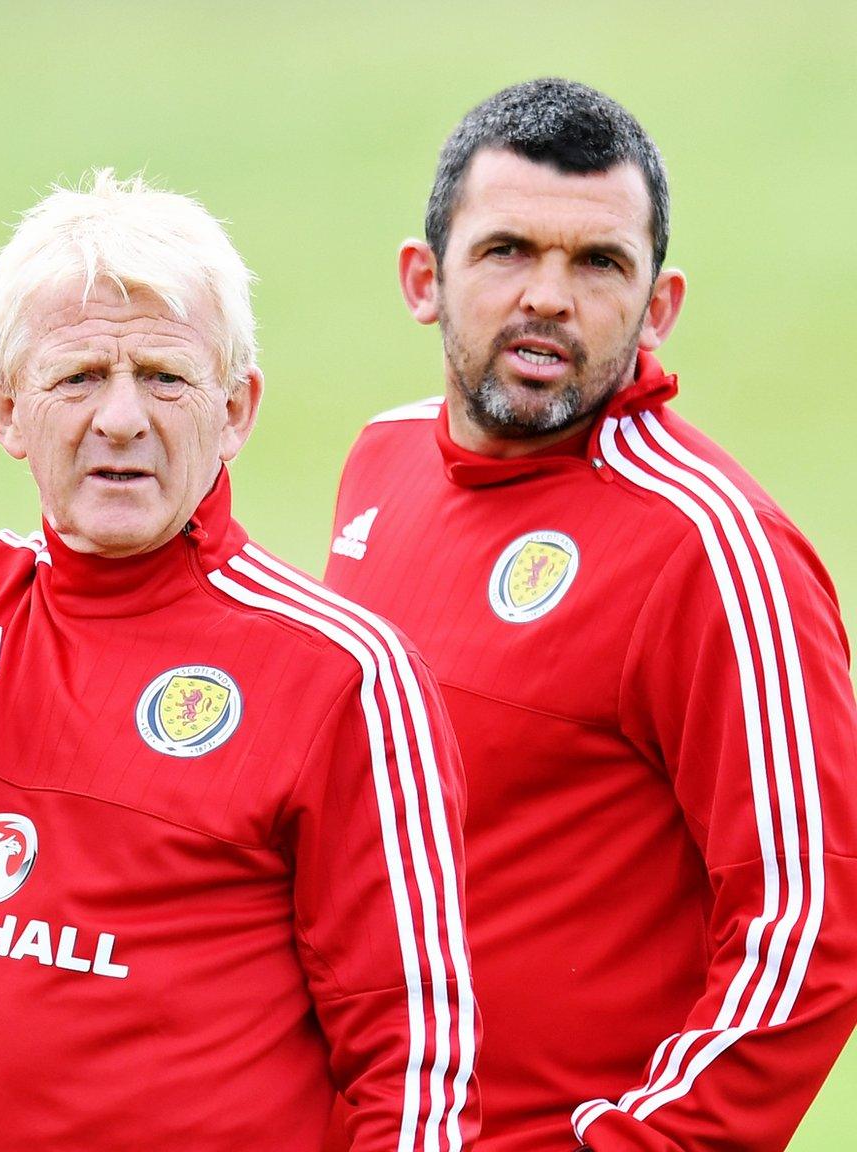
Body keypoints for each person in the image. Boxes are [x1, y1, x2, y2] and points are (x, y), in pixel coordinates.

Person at [0, 170, 479, 1151]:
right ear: (5, 411)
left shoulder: (344, 675)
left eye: (163, 375)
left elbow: (413, 1063)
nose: (119, 419)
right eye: (76, 378)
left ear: (235, 409)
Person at [324, 78, 857, 1151]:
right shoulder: (378, 461)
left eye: (597, 263)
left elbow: (809, 924)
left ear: (656, 307)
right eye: (506, 250)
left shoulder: (710, 550)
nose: (547, 298)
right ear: (422, 279)